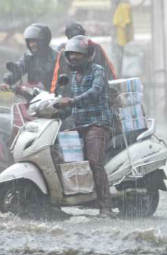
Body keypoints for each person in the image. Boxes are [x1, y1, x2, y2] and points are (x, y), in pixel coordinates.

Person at [55, 36, 114, 218]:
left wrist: (71, 101)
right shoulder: (72, 77)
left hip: (97, 123)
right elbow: (64, 99)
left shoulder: (98, 71)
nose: (74, 58)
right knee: (57, 154)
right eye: (71, 55)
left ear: (88, 56)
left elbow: (95, 92)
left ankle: (106, 206)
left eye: (78, 55)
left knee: (95, 162)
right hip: (79, 124)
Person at [50, 21, 117, 95]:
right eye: (72, 54)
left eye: (78, 54)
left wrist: (114, 89)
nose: (74, 56)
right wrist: (53, 95)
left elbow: (108, 70)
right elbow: (56, 77)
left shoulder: (95, 50)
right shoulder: (63, 52)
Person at [1, 23, 58, 91]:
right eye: (29, 42)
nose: (31, 45)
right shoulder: (29, 56)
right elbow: (20, 69)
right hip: (32, 96)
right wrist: (7, 81)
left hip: (52, 97)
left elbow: (65, 81)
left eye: (34, 42)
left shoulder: (56, 57)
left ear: (44, 41)